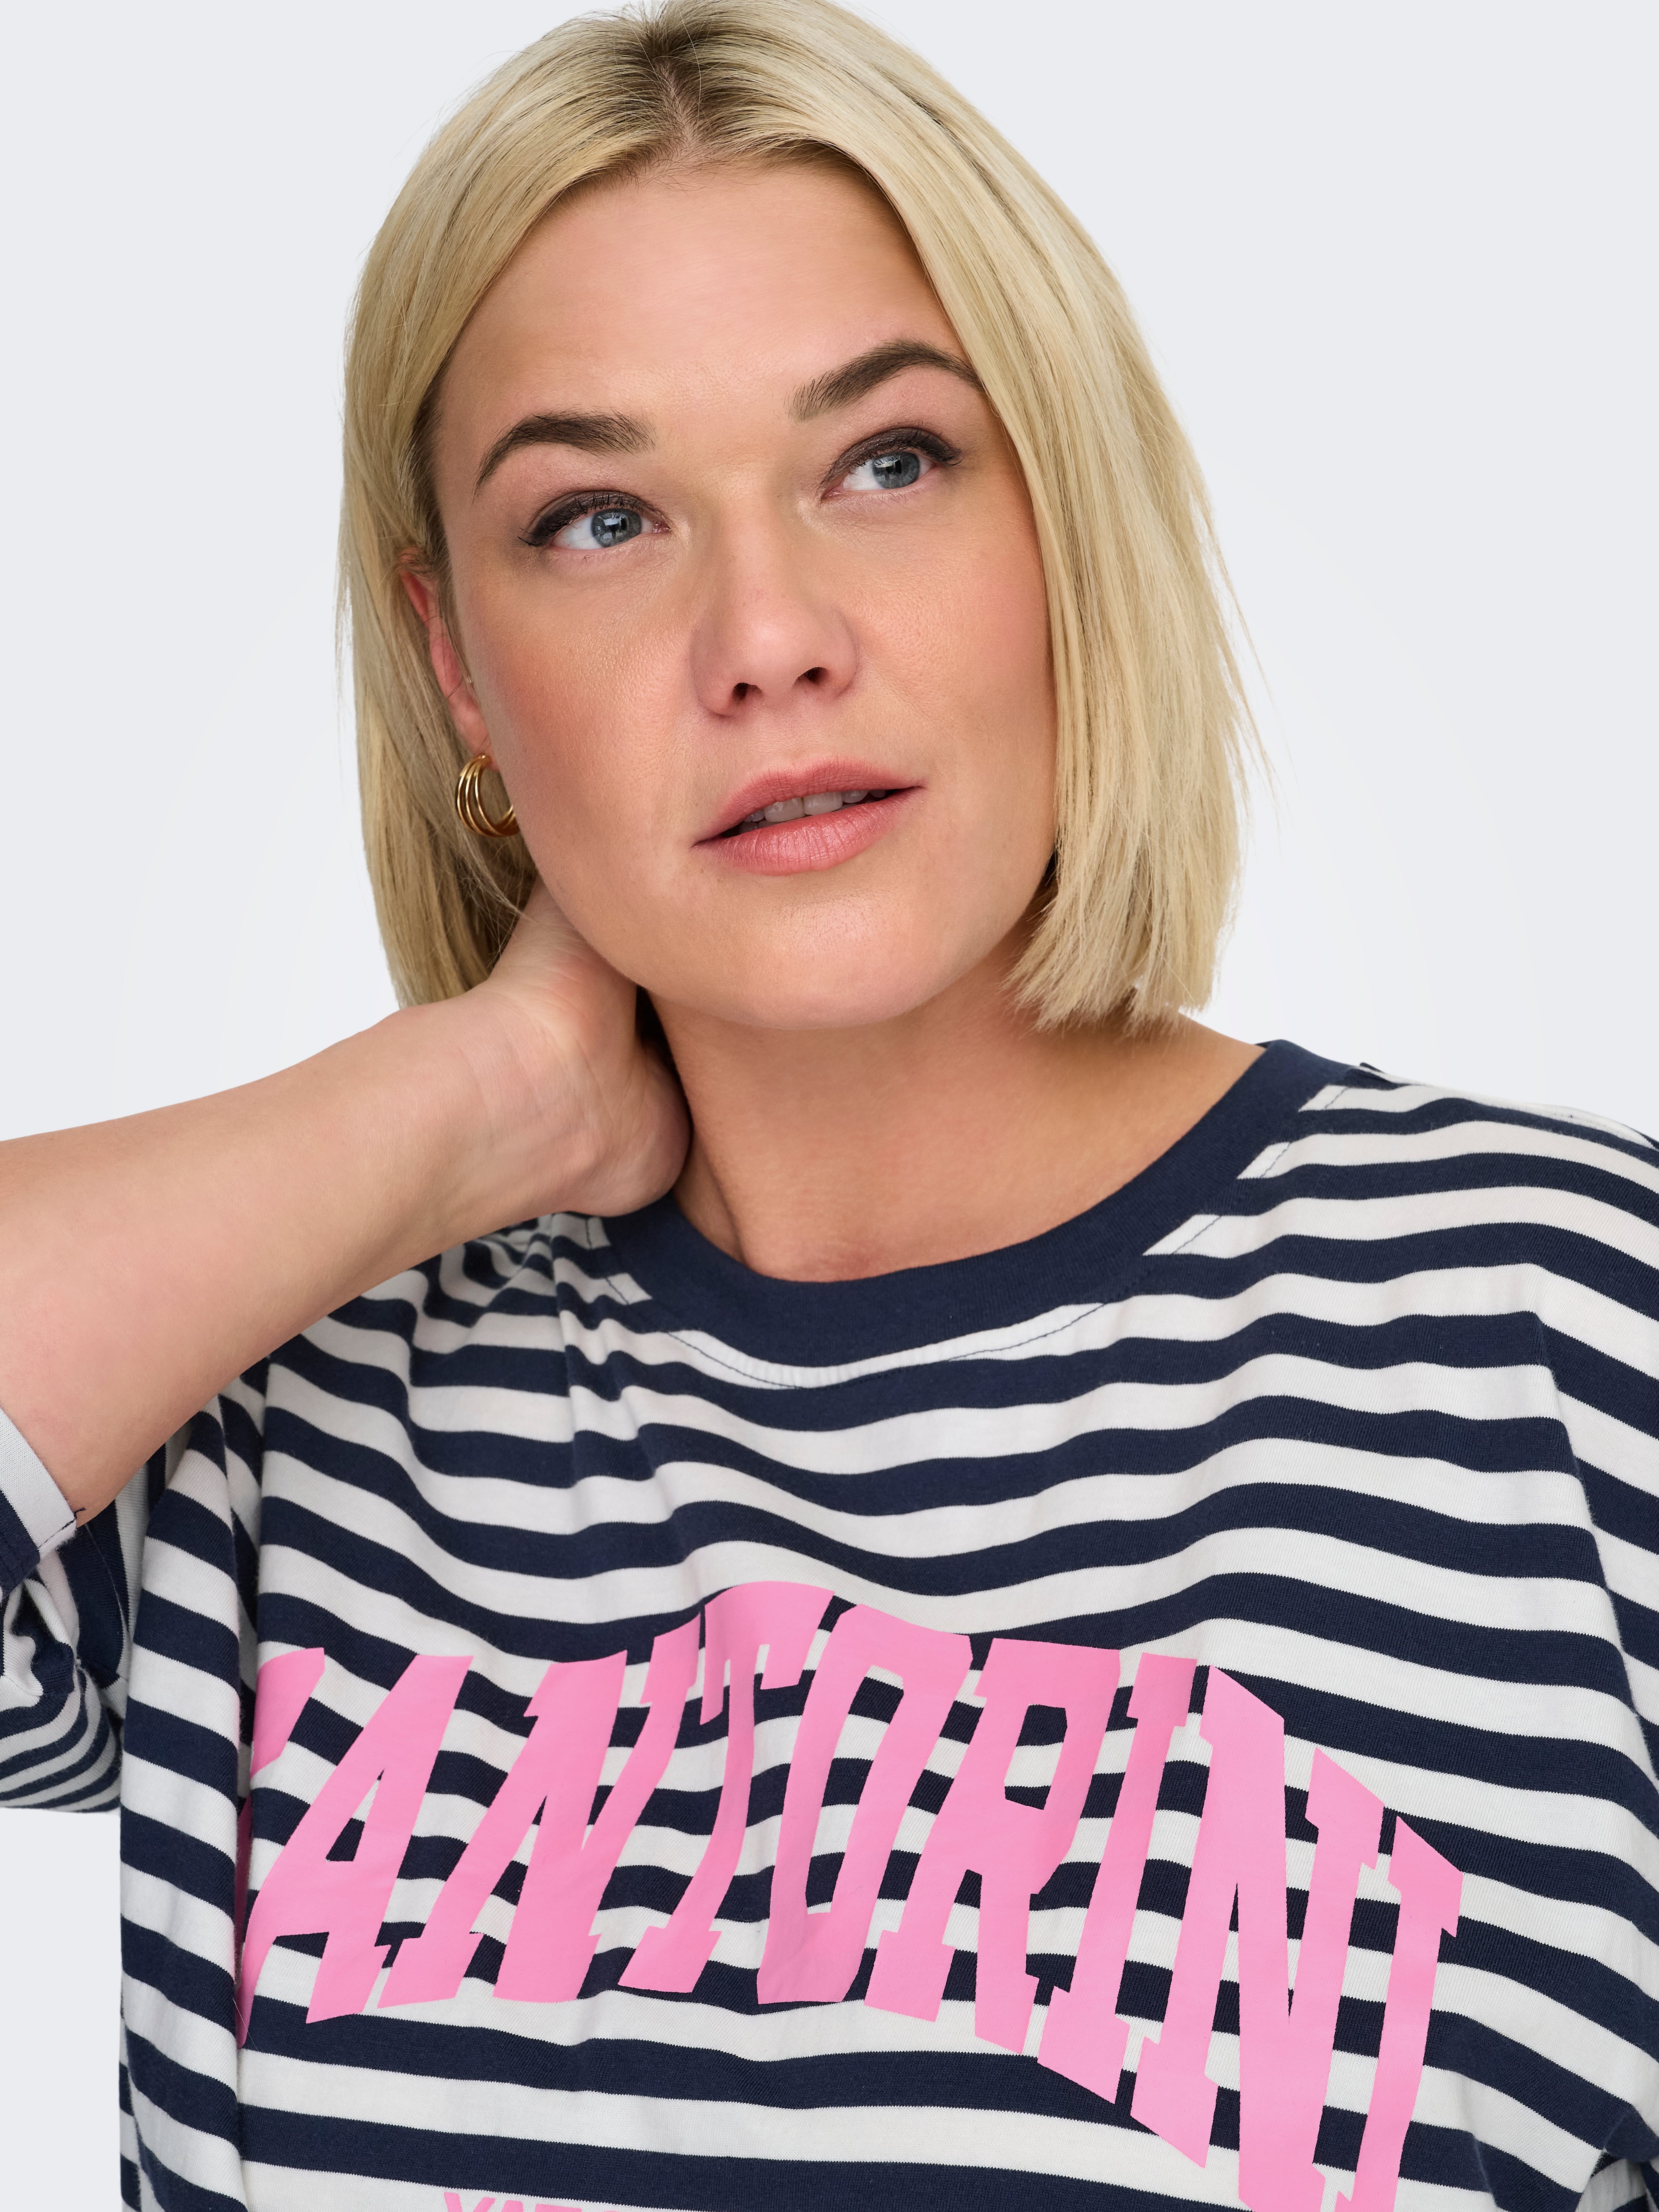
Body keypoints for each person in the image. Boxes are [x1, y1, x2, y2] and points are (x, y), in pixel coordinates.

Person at [1, 2, 1655, 2208]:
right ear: (458, 666)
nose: (768, 637)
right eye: (598, 518)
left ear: (1068, 524)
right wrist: (479, 1088)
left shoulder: (1574, 1346)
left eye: (888, 463)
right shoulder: (264, 1420)